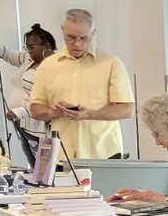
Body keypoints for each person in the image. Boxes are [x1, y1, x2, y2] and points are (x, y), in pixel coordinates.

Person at [27, 9, 134, 161]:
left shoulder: (111, 63)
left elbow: (127, 109)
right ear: (62, 30)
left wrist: (90, 114)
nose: (77, 43)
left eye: (84, 38)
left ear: (93, 33)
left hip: (104, 154)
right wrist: (53, 112)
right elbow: (35, 109)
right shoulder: (48, 66)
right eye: (71, 37)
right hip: (62, 155)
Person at [0, 23, 57, 157]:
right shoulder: (29, 59)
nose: (29, 51)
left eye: (32, 47)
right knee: (32, 168)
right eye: (27, 47)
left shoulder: (54, 69)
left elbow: (45, 102)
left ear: (47, 46)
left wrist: (19, 112)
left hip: (39, 129)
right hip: (23, 124)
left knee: (41, 169)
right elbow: (8, 54)